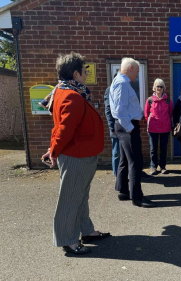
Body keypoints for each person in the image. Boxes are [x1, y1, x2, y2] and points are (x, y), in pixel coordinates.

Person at [41, 52, 109, 255]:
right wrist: (53, 151)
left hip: (81, 154)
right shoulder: (71, 95)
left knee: (81, 196)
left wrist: (52, 149)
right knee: (70, 199)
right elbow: (63, 130)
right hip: (77, 156)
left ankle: (86, 231)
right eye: (84, 71)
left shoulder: (64, 91)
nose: (86, 74)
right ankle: (68, 240)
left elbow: (61, 127)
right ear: (75, 73)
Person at [109, 57, 156, 208]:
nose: (137, 74)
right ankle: (137, 197)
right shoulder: (122, 84)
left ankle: (123, 190)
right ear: (130, 68)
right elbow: (119, 110)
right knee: (135, 161)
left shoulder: (120, 82)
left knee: (124, 159)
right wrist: (130, 128)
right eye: (136, 70)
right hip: (127, 126)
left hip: (123, 126)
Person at [144, 78, 173, 175]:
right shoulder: (150, 100)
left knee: (163, 148)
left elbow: (171, 113)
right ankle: (153, 167)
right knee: (153, 149)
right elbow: (146, 113)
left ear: (163, 88)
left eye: (161, 86)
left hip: (165, 128)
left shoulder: (168, 100)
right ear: (154, 88)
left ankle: (163, 166)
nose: (159, 88)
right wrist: (151, 122)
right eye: (158, 86)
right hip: (153, 128)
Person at [104, 73, 120, 176]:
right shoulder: (109, 90)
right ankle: (117, 175)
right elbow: (108, 109)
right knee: (117, 152)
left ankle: (123, 174)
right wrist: (111, 126)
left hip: (125, 126)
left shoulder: (123, 90)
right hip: (115, 126)